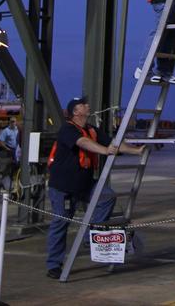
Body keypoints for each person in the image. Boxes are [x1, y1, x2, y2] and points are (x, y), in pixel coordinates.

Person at [45, 96, 134, 279]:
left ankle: (88, 236)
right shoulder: (67, 129)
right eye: (82, 104)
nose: (87, 105)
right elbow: (82, 143)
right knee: (61, 222)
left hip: (84, 185)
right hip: (63, 188)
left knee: (107, 196)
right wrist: (104, 151)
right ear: (75, 112)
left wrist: (137, 150)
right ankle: (54, 265)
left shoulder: (92, 129)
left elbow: (113, 144)